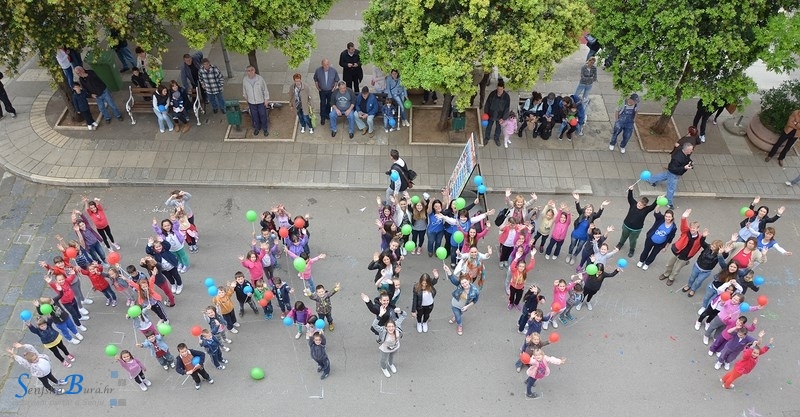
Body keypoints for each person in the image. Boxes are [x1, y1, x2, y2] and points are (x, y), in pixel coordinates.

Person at [657, 209, 706, 286]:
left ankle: (671, 278)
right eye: (691, 227)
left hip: (685, 256)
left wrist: (704, 237)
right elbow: (683, 224)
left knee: (676, 269)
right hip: (676, 251)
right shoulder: (686, 231)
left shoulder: (700, 238)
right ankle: (666, 274)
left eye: (694, 228)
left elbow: (703, 243)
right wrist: (684, 217)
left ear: (698, 229)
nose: (692, 229)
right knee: (669, 264)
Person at [649, 142, 694, 209]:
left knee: (664, 176)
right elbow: (673, 169)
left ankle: (651, 180)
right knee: (671, 188)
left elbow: (687, 159)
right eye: (691, 150)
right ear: (686, 150)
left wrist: (690, 162)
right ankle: (669, 203)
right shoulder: (677, 158)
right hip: (674, 174)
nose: (692, 151)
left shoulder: (684, 153)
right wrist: (684, 168)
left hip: (672, 172)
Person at [616, 185, 657, 258]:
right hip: (626, 225)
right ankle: (620, 243)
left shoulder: (646, 210)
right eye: (639, 203)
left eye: (641, 205)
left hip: (636, 229)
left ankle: (632, 250)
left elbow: (653, 206)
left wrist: (658, 199)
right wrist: (630, 190)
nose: (639, 205)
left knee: (633, 240)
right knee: (623, 235)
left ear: (644, 206)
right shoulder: (633, 204)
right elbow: (630, 198)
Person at [445, 265, 480, 336]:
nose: (464, 284)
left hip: (463, 307)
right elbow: (452, 279)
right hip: (455, 304)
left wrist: (467, 307)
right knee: (458, 316)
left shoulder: (475, 291)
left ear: (469, 281)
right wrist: (448, 270)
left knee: (459, 314)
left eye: (465, 282)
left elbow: (475, 301)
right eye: (462, 283)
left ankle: (455, 317)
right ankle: (460, 325)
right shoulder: (460, 285)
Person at [372, 311, 406, 378]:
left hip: (395, 346)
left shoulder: (397, 326)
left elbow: (404, 315)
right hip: (385, 348)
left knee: (392, 356)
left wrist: (400, 311)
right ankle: (384, 368)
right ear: (386, 327)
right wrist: (379, 316)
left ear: (395, 326)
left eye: (392, 326)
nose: (391, 328)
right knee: (383, 359)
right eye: (389, 326)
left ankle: (390, 364)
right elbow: (374, 325)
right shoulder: (383, 330)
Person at [242, 65, 269, 136]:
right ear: (246, 72)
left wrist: (266, 100)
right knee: (254, 116)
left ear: (254, 71)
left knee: (263, 115)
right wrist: (246, 99)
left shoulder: (260, 79)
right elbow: (244, 90)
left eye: (252, 70)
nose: (250, 72)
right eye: (248, 71)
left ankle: (265, 129)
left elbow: (265, 90)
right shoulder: (245, 80)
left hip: (260, 102)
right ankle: (257, 128)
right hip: (251, 102)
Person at [483, 79, 511, 146]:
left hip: (500, 116)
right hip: (491, 114)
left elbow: (507, 108)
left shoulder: (506, 97)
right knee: (488, 127)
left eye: (501, 89)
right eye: (498, 89)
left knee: (498, 128)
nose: (499, 91)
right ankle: (487, 138)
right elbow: (487, 104)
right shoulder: (492, 94)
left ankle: (496, 138)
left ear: (503, 89)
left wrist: (503, 118)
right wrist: (486, 113)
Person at [313, 59, 340, 126]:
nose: (326, 66)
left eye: (327, 64)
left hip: (330, 91)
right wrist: (317, 86)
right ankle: (323, 117)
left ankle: (327, 114)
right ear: (322, 65)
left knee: (329, 103)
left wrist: (334, 87)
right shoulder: (318, 70)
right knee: (322, 103)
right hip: (322, 91)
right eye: (325, 65)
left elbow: (336, 79)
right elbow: (315, 79)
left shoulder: (333, 70)